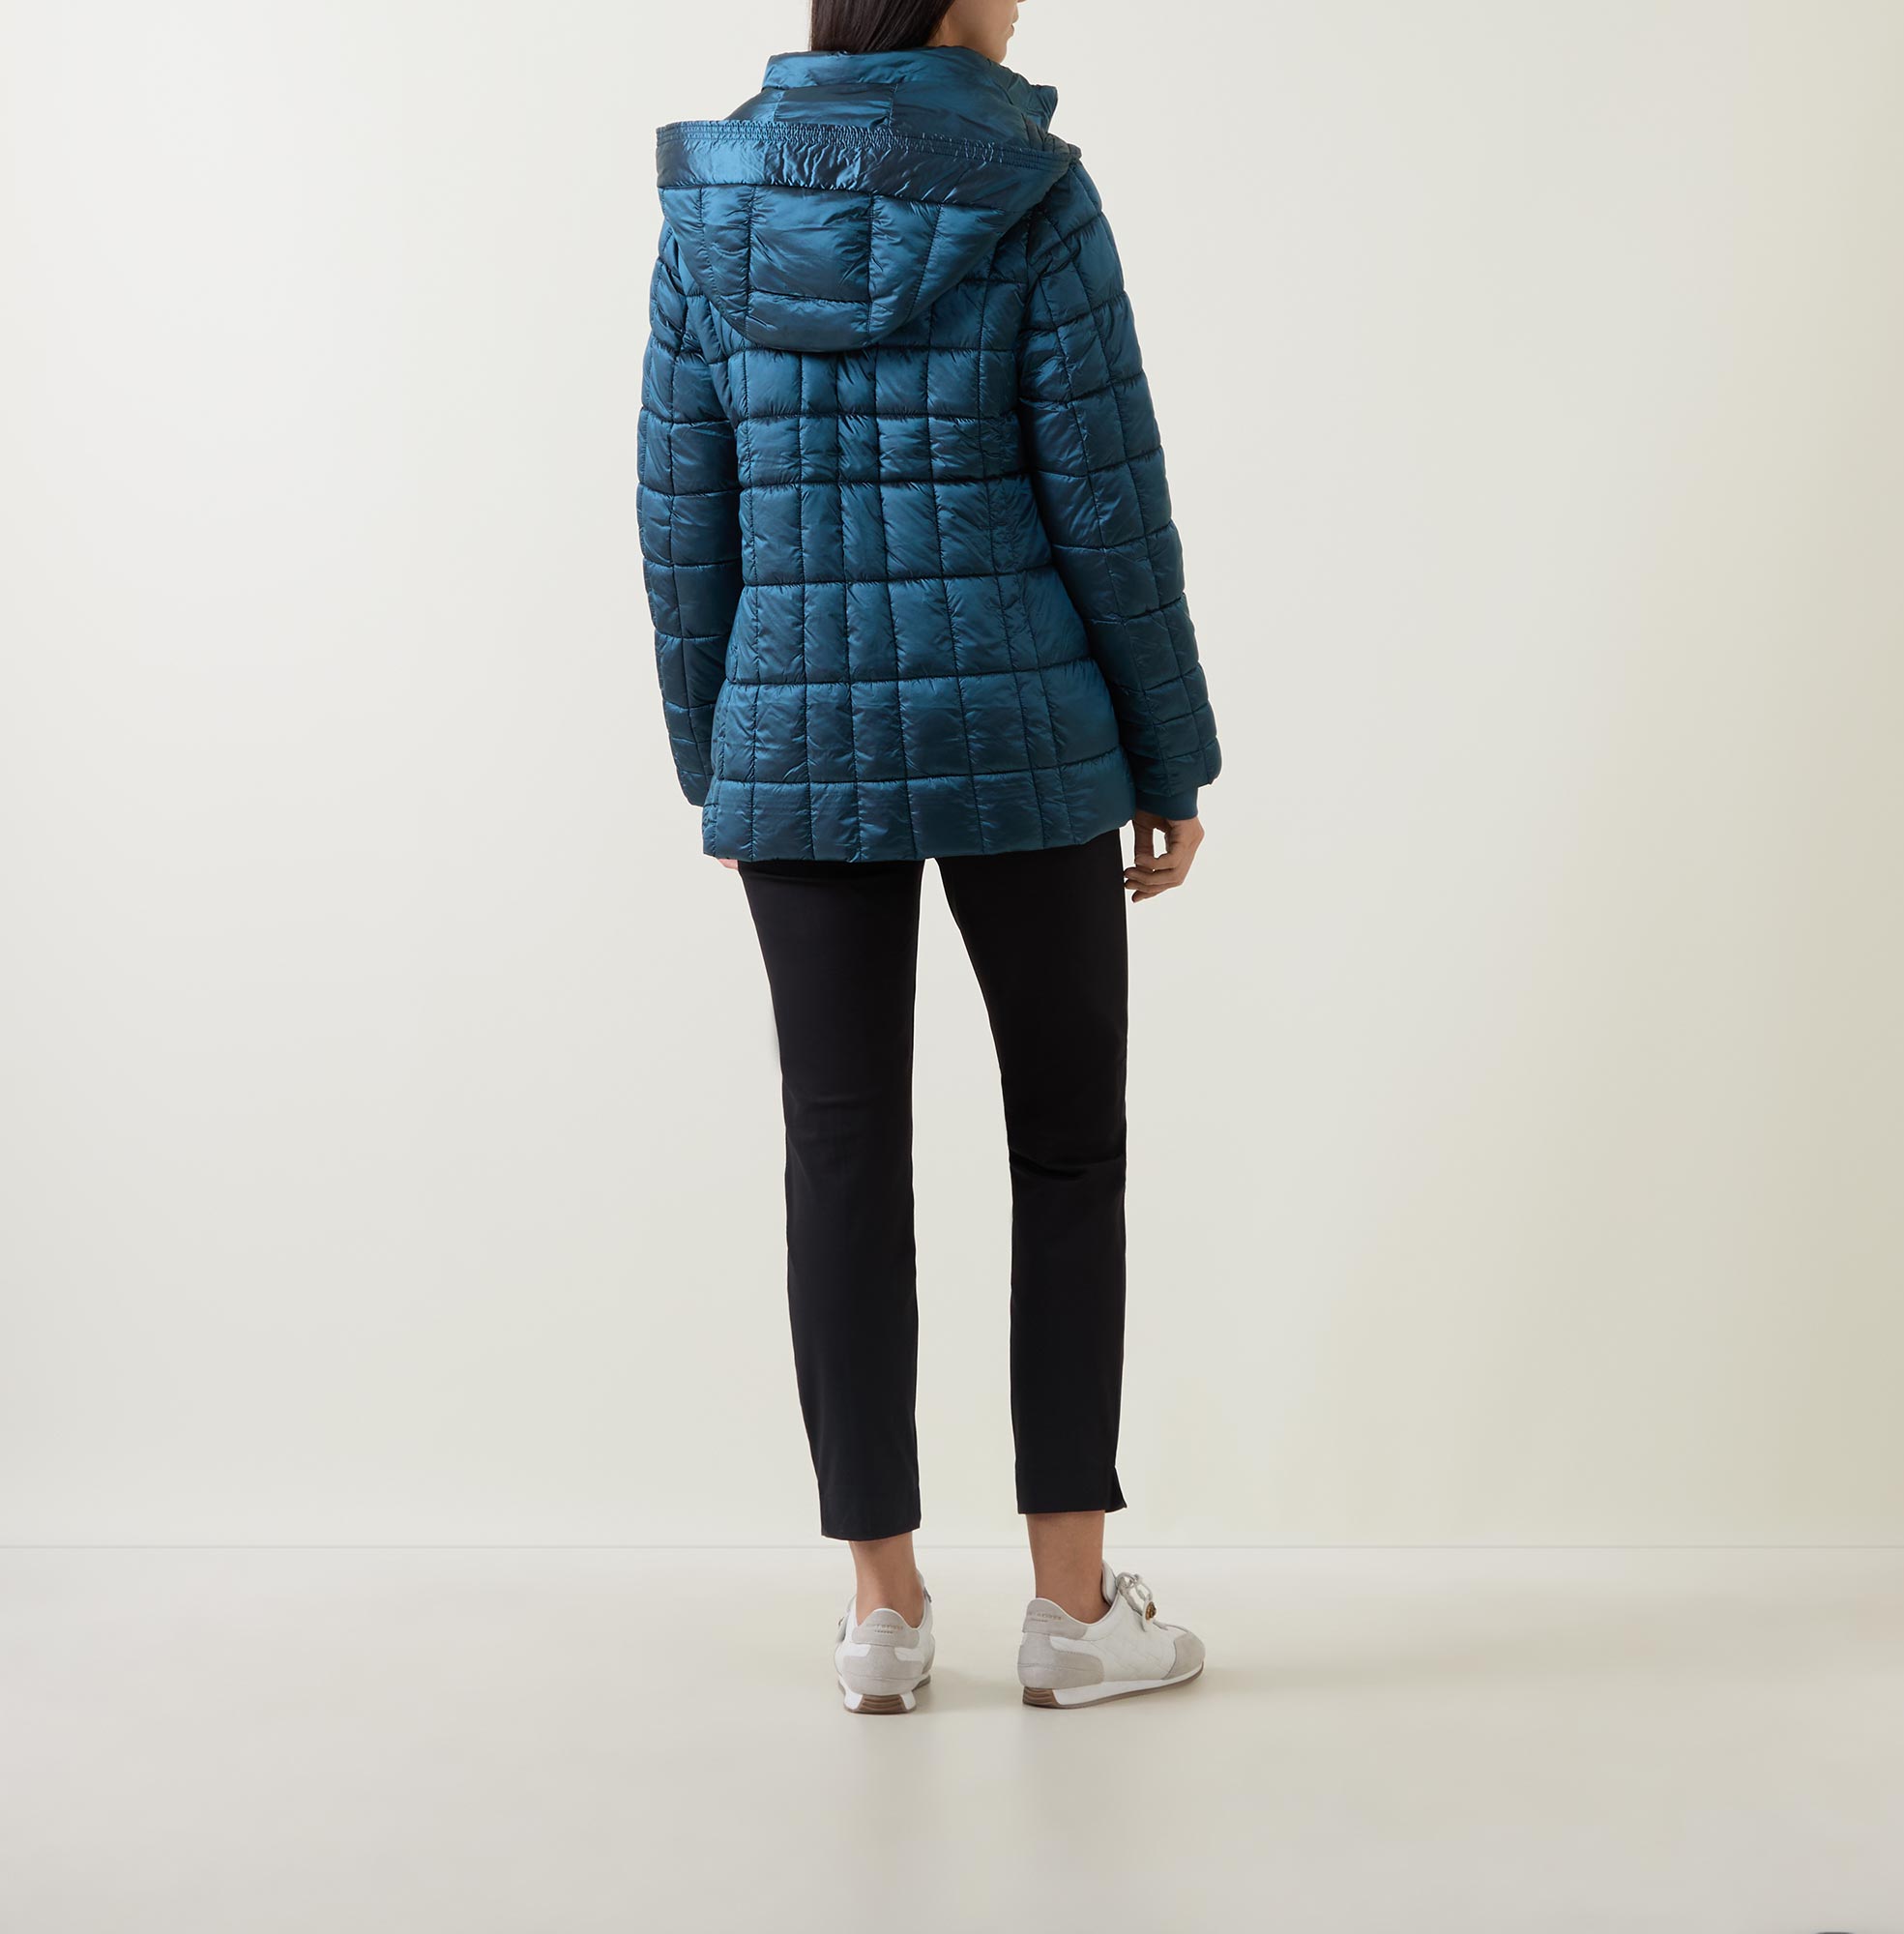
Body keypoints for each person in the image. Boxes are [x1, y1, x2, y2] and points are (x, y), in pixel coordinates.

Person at [637, 0, 1219, 1712]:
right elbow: (1108, 500)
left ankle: (882, 1616)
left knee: (840, 1154)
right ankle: (1072, 1612)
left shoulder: (711, 209)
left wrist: (721, 760)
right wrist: (1169, 756)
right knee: (1068, 1153)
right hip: (1026, 742)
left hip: (792, 747)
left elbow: (683, 510)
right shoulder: (1029, 189)